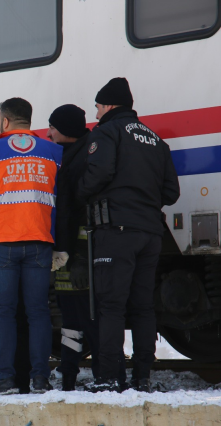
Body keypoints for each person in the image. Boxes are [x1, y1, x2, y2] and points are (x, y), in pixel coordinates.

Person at [77, 78, 180, 392]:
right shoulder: (155, 139)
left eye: (97, 106)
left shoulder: (107, 132)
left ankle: (109, 378)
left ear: (109, 105)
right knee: (143, 307)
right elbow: (171, 192)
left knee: (111, 305)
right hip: (150, 233)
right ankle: (142, 377)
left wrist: (76, 192)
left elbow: (99, 173)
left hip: (116, 232)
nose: (95, 113)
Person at [0, 98, 62, 394]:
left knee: (3, 312)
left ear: (4, 122)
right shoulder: (53, 151)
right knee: (38, 312)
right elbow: (64, 201)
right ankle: (39, 379)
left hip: (1, 242)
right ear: (29, 121)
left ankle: (5, 379)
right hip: (40, 242)